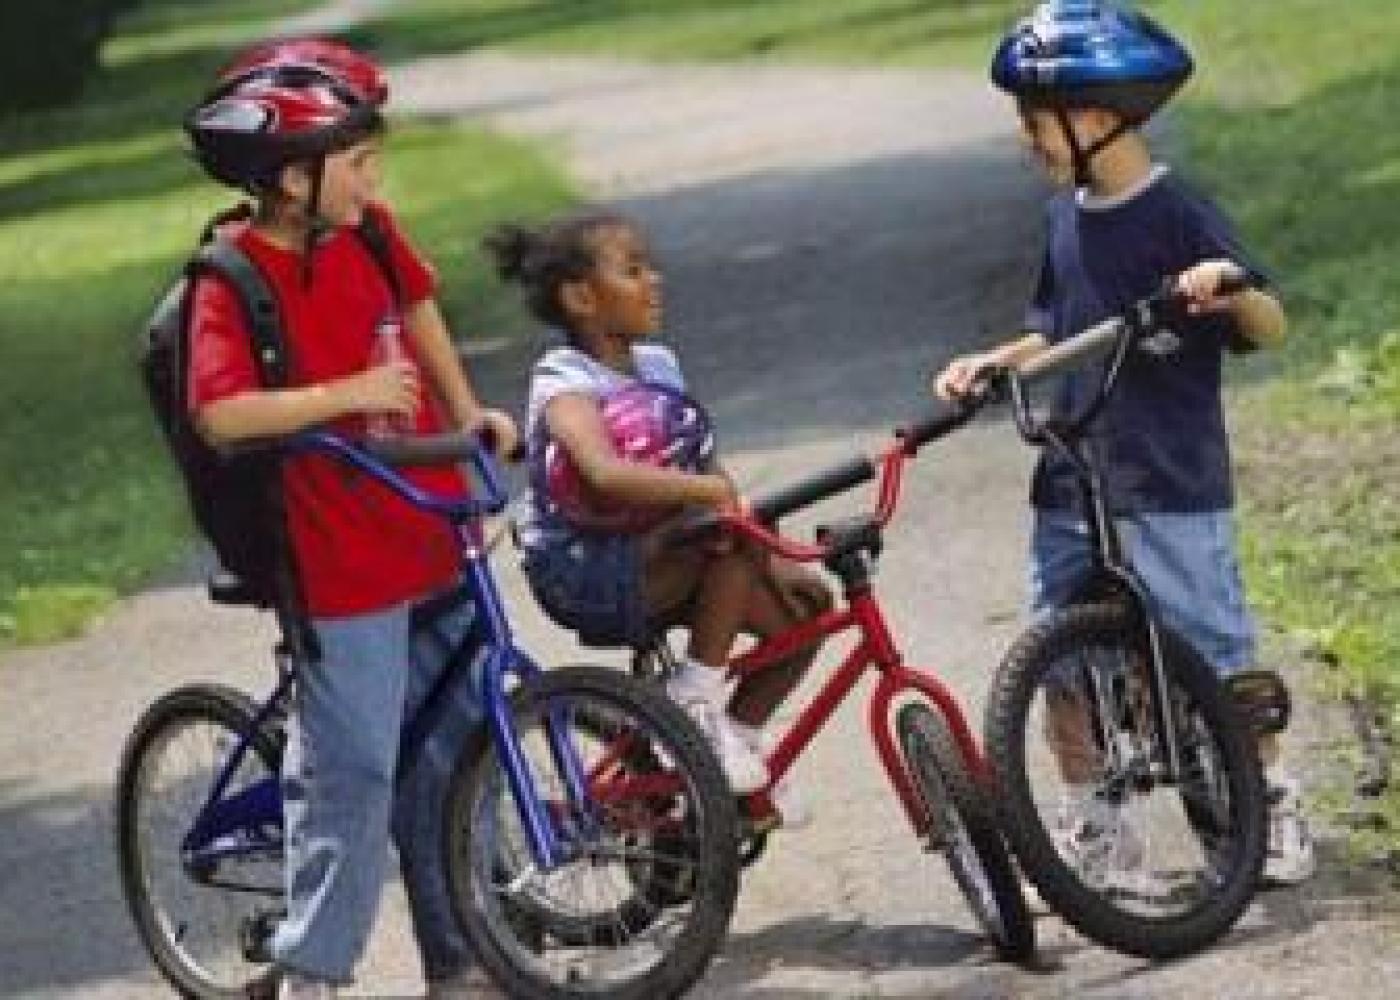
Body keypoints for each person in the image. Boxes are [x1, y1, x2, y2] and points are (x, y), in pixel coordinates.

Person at [932, 1, 1313, 887]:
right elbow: (1052, 328)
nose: (1025, 136)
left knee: (1213, 647)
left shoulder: (1177, 213)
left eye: (1035, 118)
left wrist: (1227, 288)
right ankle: (1099, 828)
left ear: (1096, 118)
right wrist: (993, 360)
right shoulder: (1066, 217)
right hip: (1072, 478)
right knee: (1060, 652)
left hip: (1167, 476)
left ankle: (1275, 801)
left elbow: (1269, 322)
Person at [183, 39, 517, 999]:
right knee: (355, 773)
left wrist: (466, 414)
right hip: (336, 564)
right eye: (359, 161)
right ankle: (310, 972)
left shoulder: (369, 231)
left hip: (426, 523)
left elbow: (417, 309)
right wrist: (348, 394)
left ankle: (462, 961)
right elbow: (223, 413)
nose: (375, 178)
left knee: (456, 750)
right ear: (293, 176)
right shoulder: (231, 278)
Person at [486, 210, 830, 821]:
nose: (655, 280)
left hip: (661, 548)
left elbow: (709, 470)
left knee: (806, 612)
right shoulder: (564, 379)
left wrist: (775, 556)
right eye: (633, 270)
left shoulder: (659, 366)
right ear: (580, 297)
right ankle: (694, 700)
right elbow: (602, 472)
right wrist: (706, 496)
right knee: (724, 535)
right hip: (585, 570)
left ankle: (733, 740)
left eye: (651, 267)